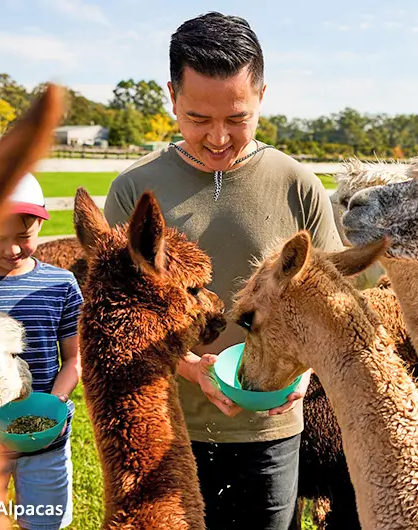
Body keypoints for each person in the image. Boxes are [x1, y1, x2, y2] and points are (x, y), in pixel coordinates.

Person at [103, 11, 343, 530]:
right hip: (164, 429)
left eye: (236, 119)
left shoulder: (297, 184)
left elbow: (334, 305)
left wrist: (303, 368)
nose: (217, 138)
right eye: (196, 119)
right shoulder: (133, 192)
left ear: (260, 95)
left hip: (271, 431)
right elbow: (112, 316)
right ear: (171, 97)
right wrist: (190, 365)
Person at [0, 172, 83, 530]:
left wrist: (56, 404)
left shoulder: (61, 285)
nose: (12, 249)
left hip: (45, 437)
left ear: (39, 227)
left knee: (46, 521)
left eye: (23, 237)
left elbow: (74, 357)